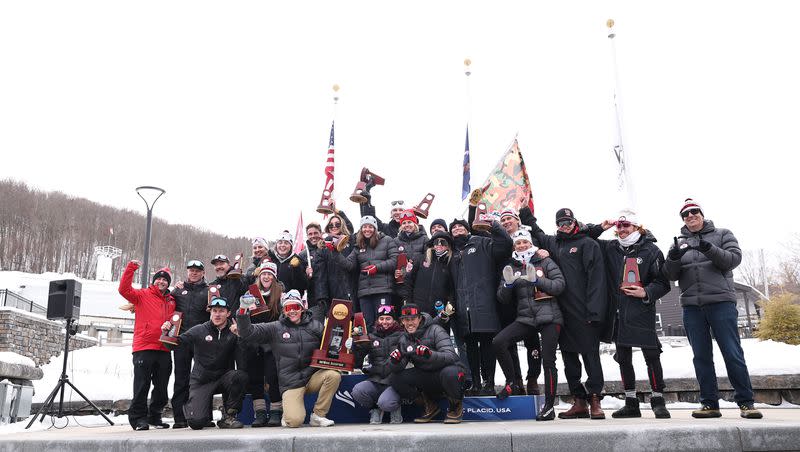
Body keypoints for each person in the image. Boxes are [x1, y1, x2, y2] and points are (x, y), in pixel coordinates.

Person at [663, 198, 762, 419]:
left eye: (694, 212)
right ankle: (709, 404)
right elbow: (669, 275)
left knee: (732, 353)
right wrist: (673, 257)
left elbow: (733, 259)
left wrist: (709, 248)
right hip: (692, 307)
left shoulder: (723, 234)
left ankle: (746, 403)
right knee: (701, 357)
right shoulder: (678, 242)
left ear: (702, 213)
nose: (690, 216)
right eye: (685, 214)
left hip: (721, 304)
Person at [586, 210, 672, 419]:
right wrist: (601, 227)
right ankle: (631, 402)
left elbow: (663, 282)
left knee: (651, 355)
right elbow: (584, 239)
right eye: (619, 226)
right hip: (617, 312)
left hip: (641, 310)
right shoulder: (610, 248)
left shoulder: (651, 250)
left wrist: (647, 292)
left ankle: (658, 400)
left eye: (627, 226)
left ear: (637, 227)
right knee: (623, 357)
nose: (622, 230)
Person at [529, 208, 609, 419]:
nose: (564, 226)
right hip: (562, 313)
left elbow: (597, 280)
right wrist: (524, 211)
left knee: (590, 355)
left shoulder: (588, 244)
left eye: (568, 222)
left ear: (575, 222)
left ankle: (595, 399)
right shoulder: (554, 244)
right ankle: (579, 400)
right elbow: (537, 233)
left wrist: (595, 310)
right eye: (561, 223)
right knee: (569, 358)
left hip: (585, 311)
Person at [236, 290, 341, 428]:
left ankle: (318, 415)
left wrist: (344, 343)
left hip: (312, 376)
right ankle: (288, 415)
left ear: (302, 309)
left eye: (295, 307)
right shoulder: (275, 328)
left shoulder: (316, 326)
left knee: (333, 375)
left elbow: (332, 347)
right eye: (288, 308)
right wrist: (243, 311)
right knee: (295, 421)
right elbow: (247, 333)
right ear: (284, 310)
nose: (292, 311)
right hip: (291, 382)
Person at [494, 230, 565, 421]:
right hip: (526, 318)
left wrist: (537, 280)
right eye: (518, 243)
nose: (522, 246)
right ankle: (511, 382)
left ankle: (549, 406)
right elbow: (502, 298)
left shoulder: (544, 261)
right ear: (514, 247)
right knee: (499, 341)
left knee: (549, 360)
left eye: (525, 242)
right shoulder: (511, 266)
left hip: (549, 317)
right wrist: (508, 286)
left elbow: (559, 285)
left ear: (531, 244)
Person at [161, 297, 248, 429]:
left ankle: (228, 416)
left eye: (221, 311)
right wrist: (166, 332)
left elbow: (246, 355)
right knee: (196, 423)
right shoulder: (200, 330)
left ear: (228, 313)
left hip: (223, 378)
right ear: (210, 312)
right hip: (202, 380)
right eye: (214, 311)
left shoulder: (233, 331)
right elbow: (175, 344)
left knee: (240, 376)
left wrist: (241, 336)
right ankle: (194, 405)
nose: (217, 314)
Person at [449, 218, 513, 396]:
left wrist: (495, 226)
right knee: (470, 349)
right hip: (463, 308)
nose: (457, 229)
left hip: (483, 304)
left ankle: (489, 383)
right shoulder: (452, 252)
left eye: (461, 226)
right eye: (453, 228)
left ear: (468, 229)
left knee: (487, 346)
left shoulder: (482, 242)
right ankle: (476, 384)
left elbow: (506, 245)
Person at [117, 260, 176, 431]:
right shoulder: (142, 295)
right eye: (159, 279)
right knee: (142, 385)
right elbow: (123, 289)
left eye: (165, 280)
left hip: (164, 348)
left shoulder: (172, 300)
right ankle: (138, 419)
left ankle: (155, 416)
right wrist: (131, 268)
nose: (162, 282)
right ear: (154, 281)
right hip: (144, 347)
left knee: (162, 386)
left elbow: (175, 320)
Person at [388, 304, 465, 424]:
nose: (409, 323)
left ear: (419, 318)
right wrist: (395, 361)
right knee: (395, 378)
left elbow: (452, 356)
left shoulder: (435, 329)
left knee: (450, 372)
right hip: (427, 376)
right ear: (402, 321)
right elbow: (398, 368)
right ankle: (430, 406)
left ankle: (455, 406)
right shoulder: (404, 338)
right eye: (406, 320)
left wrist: (430, 355)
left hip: (446, 372)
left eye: (413, 319)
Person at [333, 215, 399, 329]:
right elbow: (349, 265)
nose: (367, 229)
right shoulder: (358, 246)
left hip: (382, 290)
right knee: (368, 324)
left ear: (375, 228)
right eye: (364, 227)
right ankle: (371, 346)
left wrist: (377, 268)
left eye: (370, 227)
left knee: (384, 323)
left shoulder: (387, 240)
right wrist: (335, 252)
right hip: (365, 293)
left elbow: (394, 261)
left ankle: (383, 345)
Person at [240, 261, 283, 427]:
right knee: (255, 377)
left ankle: (275, 411)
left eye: (270, 274)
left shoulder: (280, 293)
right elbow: (242, 315)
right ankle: (259, 412)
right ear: (259, 276)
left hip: (272, 342)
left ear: (274, 277)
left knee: (272, 376)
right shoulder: (250, 293)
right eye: (264, 274)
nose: (266, 277)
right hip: (253, 342)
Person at [169, 259, 210, 429]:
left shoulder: (209, 291)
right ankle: (179, 417)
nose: (194, 273)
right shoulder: (178, 291)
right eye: (191, 270)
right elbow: (166, 305)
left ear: (203, 273)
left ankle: (204, 416)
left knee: (202, 378)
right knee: (181, 379)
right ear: (187, 272)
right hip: (182, 341)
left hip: (201, 341)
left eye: (197, 271)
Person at [351, 305, 405, 424]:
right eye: (381, 319)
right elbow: (356, 361)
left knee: (385, 403)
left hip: (395, 381)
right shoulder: (370, 337)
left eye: (388, 319)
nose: (384, 322)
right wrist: (356, 344)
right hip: (376, 380)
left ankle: (394, 407)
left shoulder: (402, 336)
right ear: (377, 321)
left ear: (394, 320)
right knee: (357, 391)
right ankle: (375, 409)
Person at [401, 231, 455, 318]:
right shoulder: (421, 259)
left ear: (448, 245)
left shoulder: (451, 263)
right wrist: (408, 301)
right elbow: (409, 280)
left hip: (439, 309)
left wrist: (450, 303)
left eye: (443, 242)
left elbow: (453, 287)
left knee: (438, 331)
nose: (439, 245)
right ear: (433, 244)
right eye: (436, 242)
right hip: (418, 307)